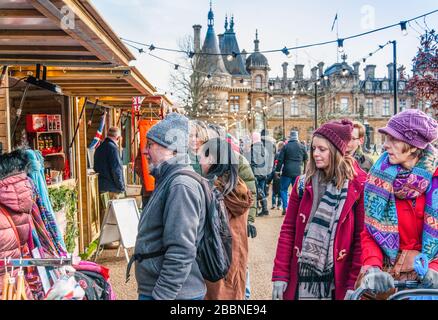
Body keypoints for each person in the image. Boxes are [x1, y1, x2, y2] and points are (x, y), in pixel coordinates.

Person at [272, 119, 366, 300]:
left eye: (322, 149)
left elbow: (360, 238)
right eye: (313, 148)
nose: (315, 154)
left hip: (337, 278)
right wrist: (280, 273)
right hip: (301, 277)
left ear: (336, 151)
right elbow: (288, 229)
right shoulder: (303, 182)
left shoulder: (358, 185)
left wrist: (353, 283)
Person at [357, 109, 438, 298]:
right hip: (386, 279)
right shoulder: (378, 177)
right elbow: (370, 231)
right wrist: (373, 266)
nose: (385, 145)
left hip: (428, 282)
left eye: (393, 139)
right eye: (386, 139)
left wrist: (435, 269)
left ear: (413, 145)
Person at [131, 113, 207, 300]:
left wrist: (163, 295)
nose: (145, 151)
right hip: (168, 291)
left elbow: (182, 250)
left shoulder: (180, 185)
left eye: (150, 145)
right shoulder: (168, 178)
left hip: (173, 294)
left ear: (171, 149)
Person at [199, 137, 253, 300]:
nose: (199, 160)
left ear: (212, 159)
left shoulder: (212, 191)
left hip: (216, 258)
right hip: (236, 256)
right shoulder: (239, 187)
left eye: (202, 156)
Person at [276, 130, 308, 216]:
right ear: (297, 137)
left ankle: (285, 207)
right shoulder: (302, 147)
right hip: (298, 172)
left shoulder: (285, 147)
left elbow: (280, 160)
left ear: (290, 137)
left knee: (283, 189)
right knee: (298, 191)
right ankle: (297, 208)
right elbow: (306, 159)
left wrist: (277, 171)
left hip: (286, 171)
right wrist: (305, 171)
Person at [94, 126, 125, 198]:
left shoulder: (99, 148)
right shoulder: (113, 148)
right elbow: (116, 169)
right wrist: (121, 187)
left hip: (101, 188)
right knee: (111, 209)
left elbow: (96, 167)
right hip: (112, 189)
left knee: (104, 209)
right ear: (118, 138)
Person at [269, 141, 284, 210]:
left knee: (274, 191)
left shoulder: (276, 154)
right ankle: (279, 205)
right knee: (280, 190)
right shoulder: (284, 154)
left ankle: (273, 204)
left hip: (275, 173)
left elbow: (273, 163)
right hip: (282, 173)